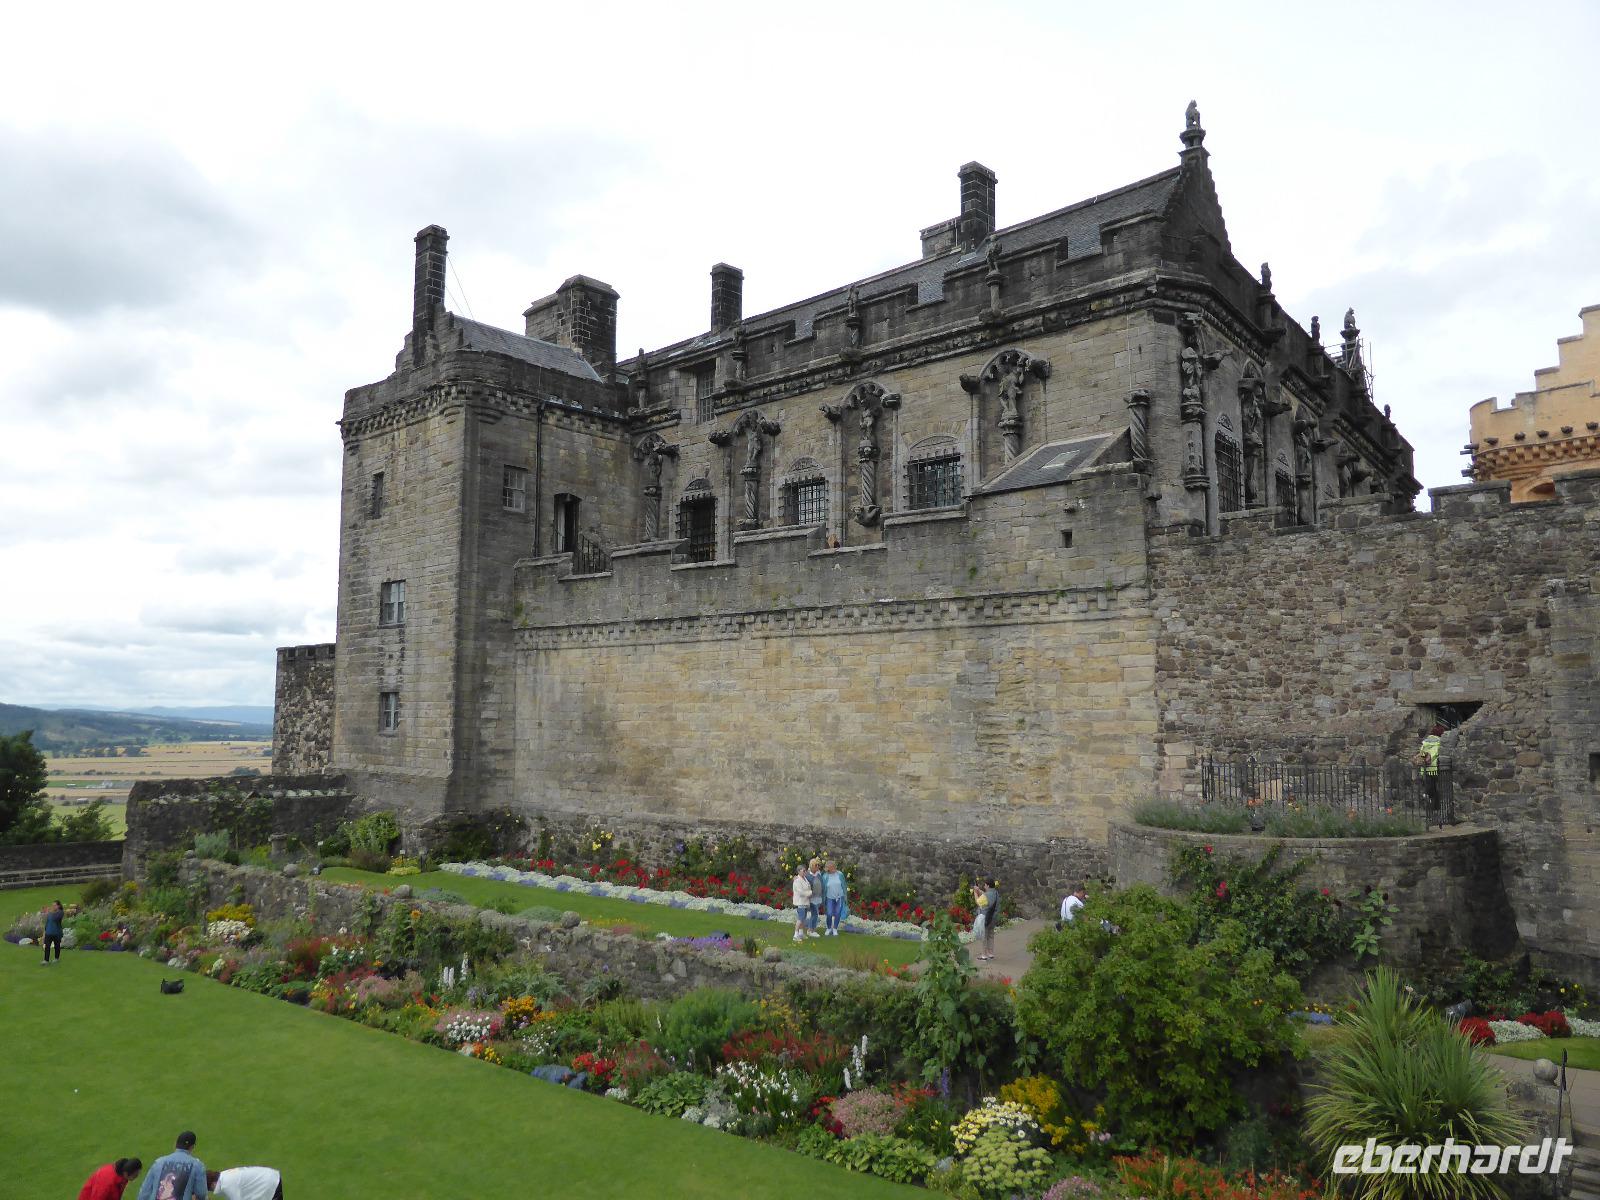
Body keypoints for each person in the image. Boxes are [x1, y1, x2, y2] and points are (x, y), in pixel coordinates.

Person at [138, 1132, 207, 1200]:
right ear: (192, 1146)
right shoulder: (197, 1165)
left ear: (175, 1144)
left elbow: (144, 1192)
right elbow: (201, 1194)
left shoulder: (158, 1162)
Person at [78, 1158, 143, 1200]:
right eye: (135, 1175)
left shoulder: (123, 1174)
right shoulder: (106, 1182)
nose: (136, 1177)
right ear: (126, 1173)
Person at [207, 1166, 283, 1200]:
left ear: (213, 1184)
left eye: (210, 1189)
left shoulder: (226, 1184)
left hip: (269, 1183)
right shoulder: (224, 1177)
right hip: (270, 1177)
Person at [1414, 724, 1444, 807]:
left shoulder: (1425, 742)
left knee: (1429, 785)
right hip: (1435, 768)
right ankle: (1435, 804)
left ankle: (1429, 800)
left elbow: (1422, 753)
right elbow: (1435, 754)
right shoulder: (1439, 742)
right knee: (1435, 787)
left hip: (1425, 768)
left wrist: (1424, 758)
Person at [821, 859, 847, 936]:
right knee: (829, 913)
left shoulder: (840, 874)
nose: (828, 870)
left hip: (839, 897)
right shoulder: (825, 876)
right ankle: (829, 928)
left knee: (837, 913)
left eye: (830, 868)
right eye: (828, 868)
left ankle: (835, 928)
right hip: (829, 898)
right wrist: (823, 899)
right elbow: (823, 888)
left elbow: (844, 886)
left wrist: (845, 897)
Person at [791, 865, 813, 943]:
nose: (805, 872)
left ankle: (801, 933)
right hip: (800, 902)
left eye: (805, 870)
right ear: (799, 871)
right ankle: (795, 935)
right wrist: (811, 893)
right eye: (803, 871)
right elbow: (801, 892)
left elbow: (808, 887)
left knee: (803, 918)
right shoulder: (797, 880)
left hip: (805, 901)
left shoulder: (805, 878)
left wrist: (809, 892)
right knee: (800, 919)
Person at [980, 878, 1000, 961]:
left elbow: (978, 901)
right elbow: (987, 896)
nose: (984, 886)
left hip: (986, 918)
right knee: (991, 935)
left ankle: (984, 955)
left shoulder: (986, 895)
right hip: (993, 917)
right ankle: (990, 953)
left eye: (985, 885)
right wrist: (981, 892)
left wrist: (975, 893)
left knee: (984, 936)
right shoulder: (996, 893)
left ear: (988, 885)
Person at [804, 858, 824, 938]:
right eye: (816, 865)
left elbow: (821, 884)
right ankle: (810, 930)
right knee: (815, 914)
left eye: (818, 865)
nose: (818, 866)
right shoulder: (808, 875)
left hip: (818, 897)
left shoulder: (818, 874)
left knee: (815, 914)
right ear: (812, 866)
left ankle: (812, 929)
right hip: (812, 898)